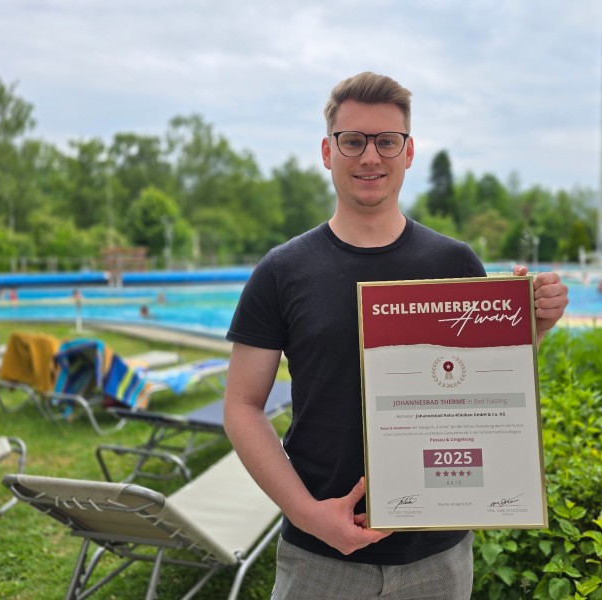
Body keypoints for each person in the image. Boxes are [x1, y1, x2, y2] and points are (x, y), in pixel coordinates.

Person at [223, 72, 569, 600]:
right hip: (319, 557)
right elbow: (242, 407)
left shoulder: (454, 263)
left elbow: (481, 386)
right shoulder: (282, 271)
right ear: (326, 150)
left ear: (408, 153)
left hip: (437, 557)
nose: (370, 156)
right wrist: (307, 514)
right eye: (352, 140)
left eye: (387, 141)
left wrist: (530, 329)